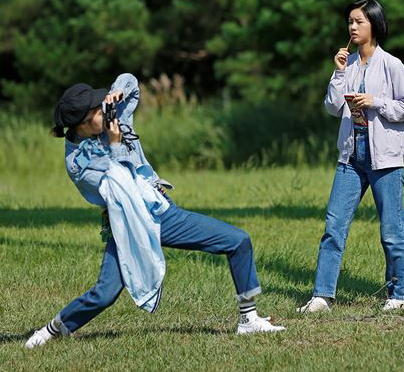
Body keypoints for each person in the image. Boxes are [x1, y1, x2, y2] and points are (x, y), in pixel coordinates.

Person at [25, 74, 284, 348]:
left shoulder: (113, 117)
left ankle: (248, 319)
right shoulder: (78, 163)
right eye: (97, 109)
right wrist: (115, 144)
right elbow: (123, 186)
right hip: (128, 222)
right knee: (106, 293)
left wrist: (115, 94)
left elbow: (130, 82)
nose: (104, 109)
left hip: (162, 211)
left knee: (238, 240)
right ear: (82, 123)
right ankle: (53, 330)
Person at [297, 0, 404, 313]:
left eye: (358, 21)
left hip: (385, 160)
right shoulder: (347, 64)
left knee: (391, 230)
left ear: (373, 25)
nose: (352, 27)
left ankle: (398, 296)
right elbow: (332, 107)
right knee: (333, 227)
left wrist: (374, 101)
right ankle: (322, 296)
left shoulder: (392, 65)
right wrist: (337, 74)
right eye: (350, 21)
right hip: (351, 157)